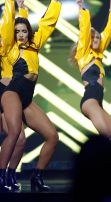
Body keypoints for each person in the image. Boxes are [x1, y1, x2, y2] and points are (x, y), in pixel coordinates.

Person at [0, 0, 62, 192]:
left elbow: (48, 22)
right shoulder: (10, 48)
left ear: (29, 32)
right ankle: (2, 176)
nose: (20, 35)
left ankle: (36, 176)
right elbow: (10, 23)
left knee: (52, 136)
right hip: (12, 92)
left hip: (26, 97)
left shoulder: (35, 44)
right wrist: (13, 3)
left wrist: (56, 3)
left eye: (24, 31)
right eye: (17, 32)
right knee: (15, 133)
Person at [69, 0, 111, 143]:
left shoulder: (98, 56)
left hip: (98, 103)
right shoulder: (83, 54)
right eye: (94, 38)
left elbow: (109, 32)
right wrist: (81, 8)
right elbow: (85, 30)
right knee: (106, 139)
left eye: (98, 37)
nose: (97, 39)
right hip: (90, 101)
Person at [0, 0, 29, 192]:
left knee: (19, 138)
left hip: (9, 92)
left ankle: (8, 175)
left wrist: (21, 7)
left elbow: (18, 25)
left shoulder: (9, 44)